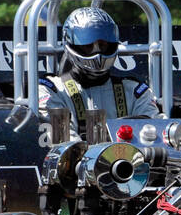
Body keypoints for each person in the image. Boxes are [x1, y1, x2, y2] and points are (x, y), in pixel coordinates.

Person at [38, 8, 158, 136]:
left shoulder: (135, 91)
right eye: (88, 45)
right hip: (75, 155)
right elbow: (60, 140)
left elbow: (156, 132)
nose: (97, 52)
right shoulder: (52, 90)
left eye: (103, 44)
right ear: (71, 44)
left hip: (131, 156)